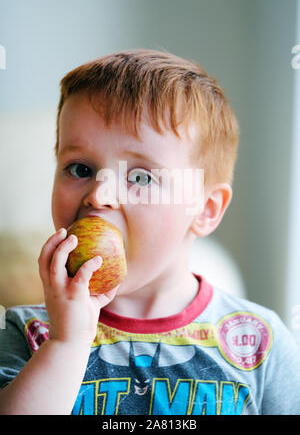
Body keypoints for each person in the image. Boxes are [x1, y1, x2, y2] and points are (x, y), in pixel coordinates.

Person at [0, 49, 300, 415]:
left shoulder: (259, 343)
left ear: (206, 209)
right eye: (79, 168)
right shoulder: (27, 332)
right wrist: (65, 343)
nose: (99, 194)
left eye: (140, 177)